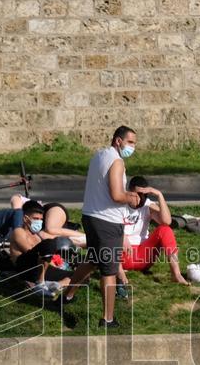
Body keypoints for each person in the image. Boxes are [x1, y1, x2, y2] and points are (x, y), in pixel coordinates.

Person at [62, 125, 146, 328]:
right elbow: (117, 195)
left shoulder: (99, 156)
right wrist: (133, 198)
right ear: (118, 141)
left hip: (90, 216)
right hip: (107, 222)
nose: (133, 147)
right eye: (131, 142)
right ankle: (108, 319)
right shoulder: (117, 161)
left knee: (92, 260)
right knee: (108, 270)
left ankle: (68, 296)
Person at [117, 176, 189, 293]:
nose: (140, 199)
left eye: (144, 195)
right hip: (123, 255)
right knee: (113, 233)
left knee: (165, 230)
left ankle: (176, 274)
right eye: (137, 194)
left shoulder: (147, 205)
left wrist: (159, 195)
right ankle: (119, 273)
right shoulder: (118, 205)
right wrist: (123, 236)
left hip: (143, 256)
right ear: (129, 192)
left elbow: (167, 221)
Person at [8, 200, 72, 296]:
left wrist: (56, 264)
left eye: (41, 219)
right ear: (25, 218)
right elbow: (30, 251)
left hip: (38, 268)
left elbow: (43, 257)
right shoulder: (19, 231)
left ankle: (56, 285)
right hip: (25, 267)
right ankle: (40, 283)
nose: (39, 222)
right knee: (49, 243)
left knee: (80, 275)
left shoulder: (37, 235)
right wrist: (49, 257)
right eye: (36, 218)